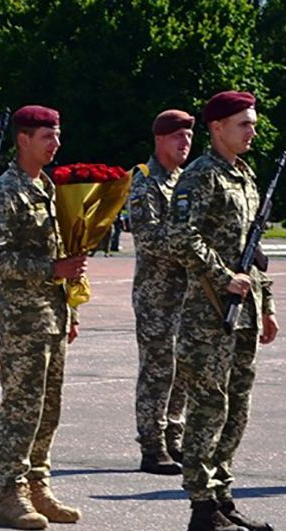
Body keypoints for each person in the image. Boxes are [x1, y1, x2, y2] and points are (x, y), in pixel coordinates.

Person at [167, 91, 277, 531]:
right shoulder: (200, 177)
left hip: (244, 313)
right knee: (208, 409)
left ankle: (223, 497)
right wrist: (221, 274)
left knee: (236, 407)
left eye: (252, 123)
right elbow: (180, 236)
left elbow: (255, 252)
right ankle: (201, 508)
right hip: (208, 313)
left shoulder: (246, 177)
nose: (252, 131)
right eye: (244, 124)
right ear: (217, 128)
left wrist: (267, 304)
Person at [0, 105, 86, 531]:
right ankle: (11, 493)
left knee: (49, 407)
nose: (56, 144)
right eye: (48, 136)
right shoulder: (6, 190)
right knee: (22, 407)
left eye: (58, 136)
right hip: (20, 318)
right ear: (23, 139)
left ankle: (38, 484)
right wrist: (51, 271)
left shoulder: (47, 187)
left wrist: (69, 304)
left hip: (52, 314)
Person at [130, 109, 195, 476]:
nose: (184, 143)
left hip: (187, 294)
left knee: (181, 370)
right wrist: (191, 245)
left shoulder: (185, 182)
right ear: (159, 139)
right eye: (177, 137)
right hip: (156, 296)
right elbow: (149, 237)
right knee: (158, 371)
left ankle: (174, 438)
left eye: (188, 137)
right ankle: (152, 446)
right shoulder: (146, 183)